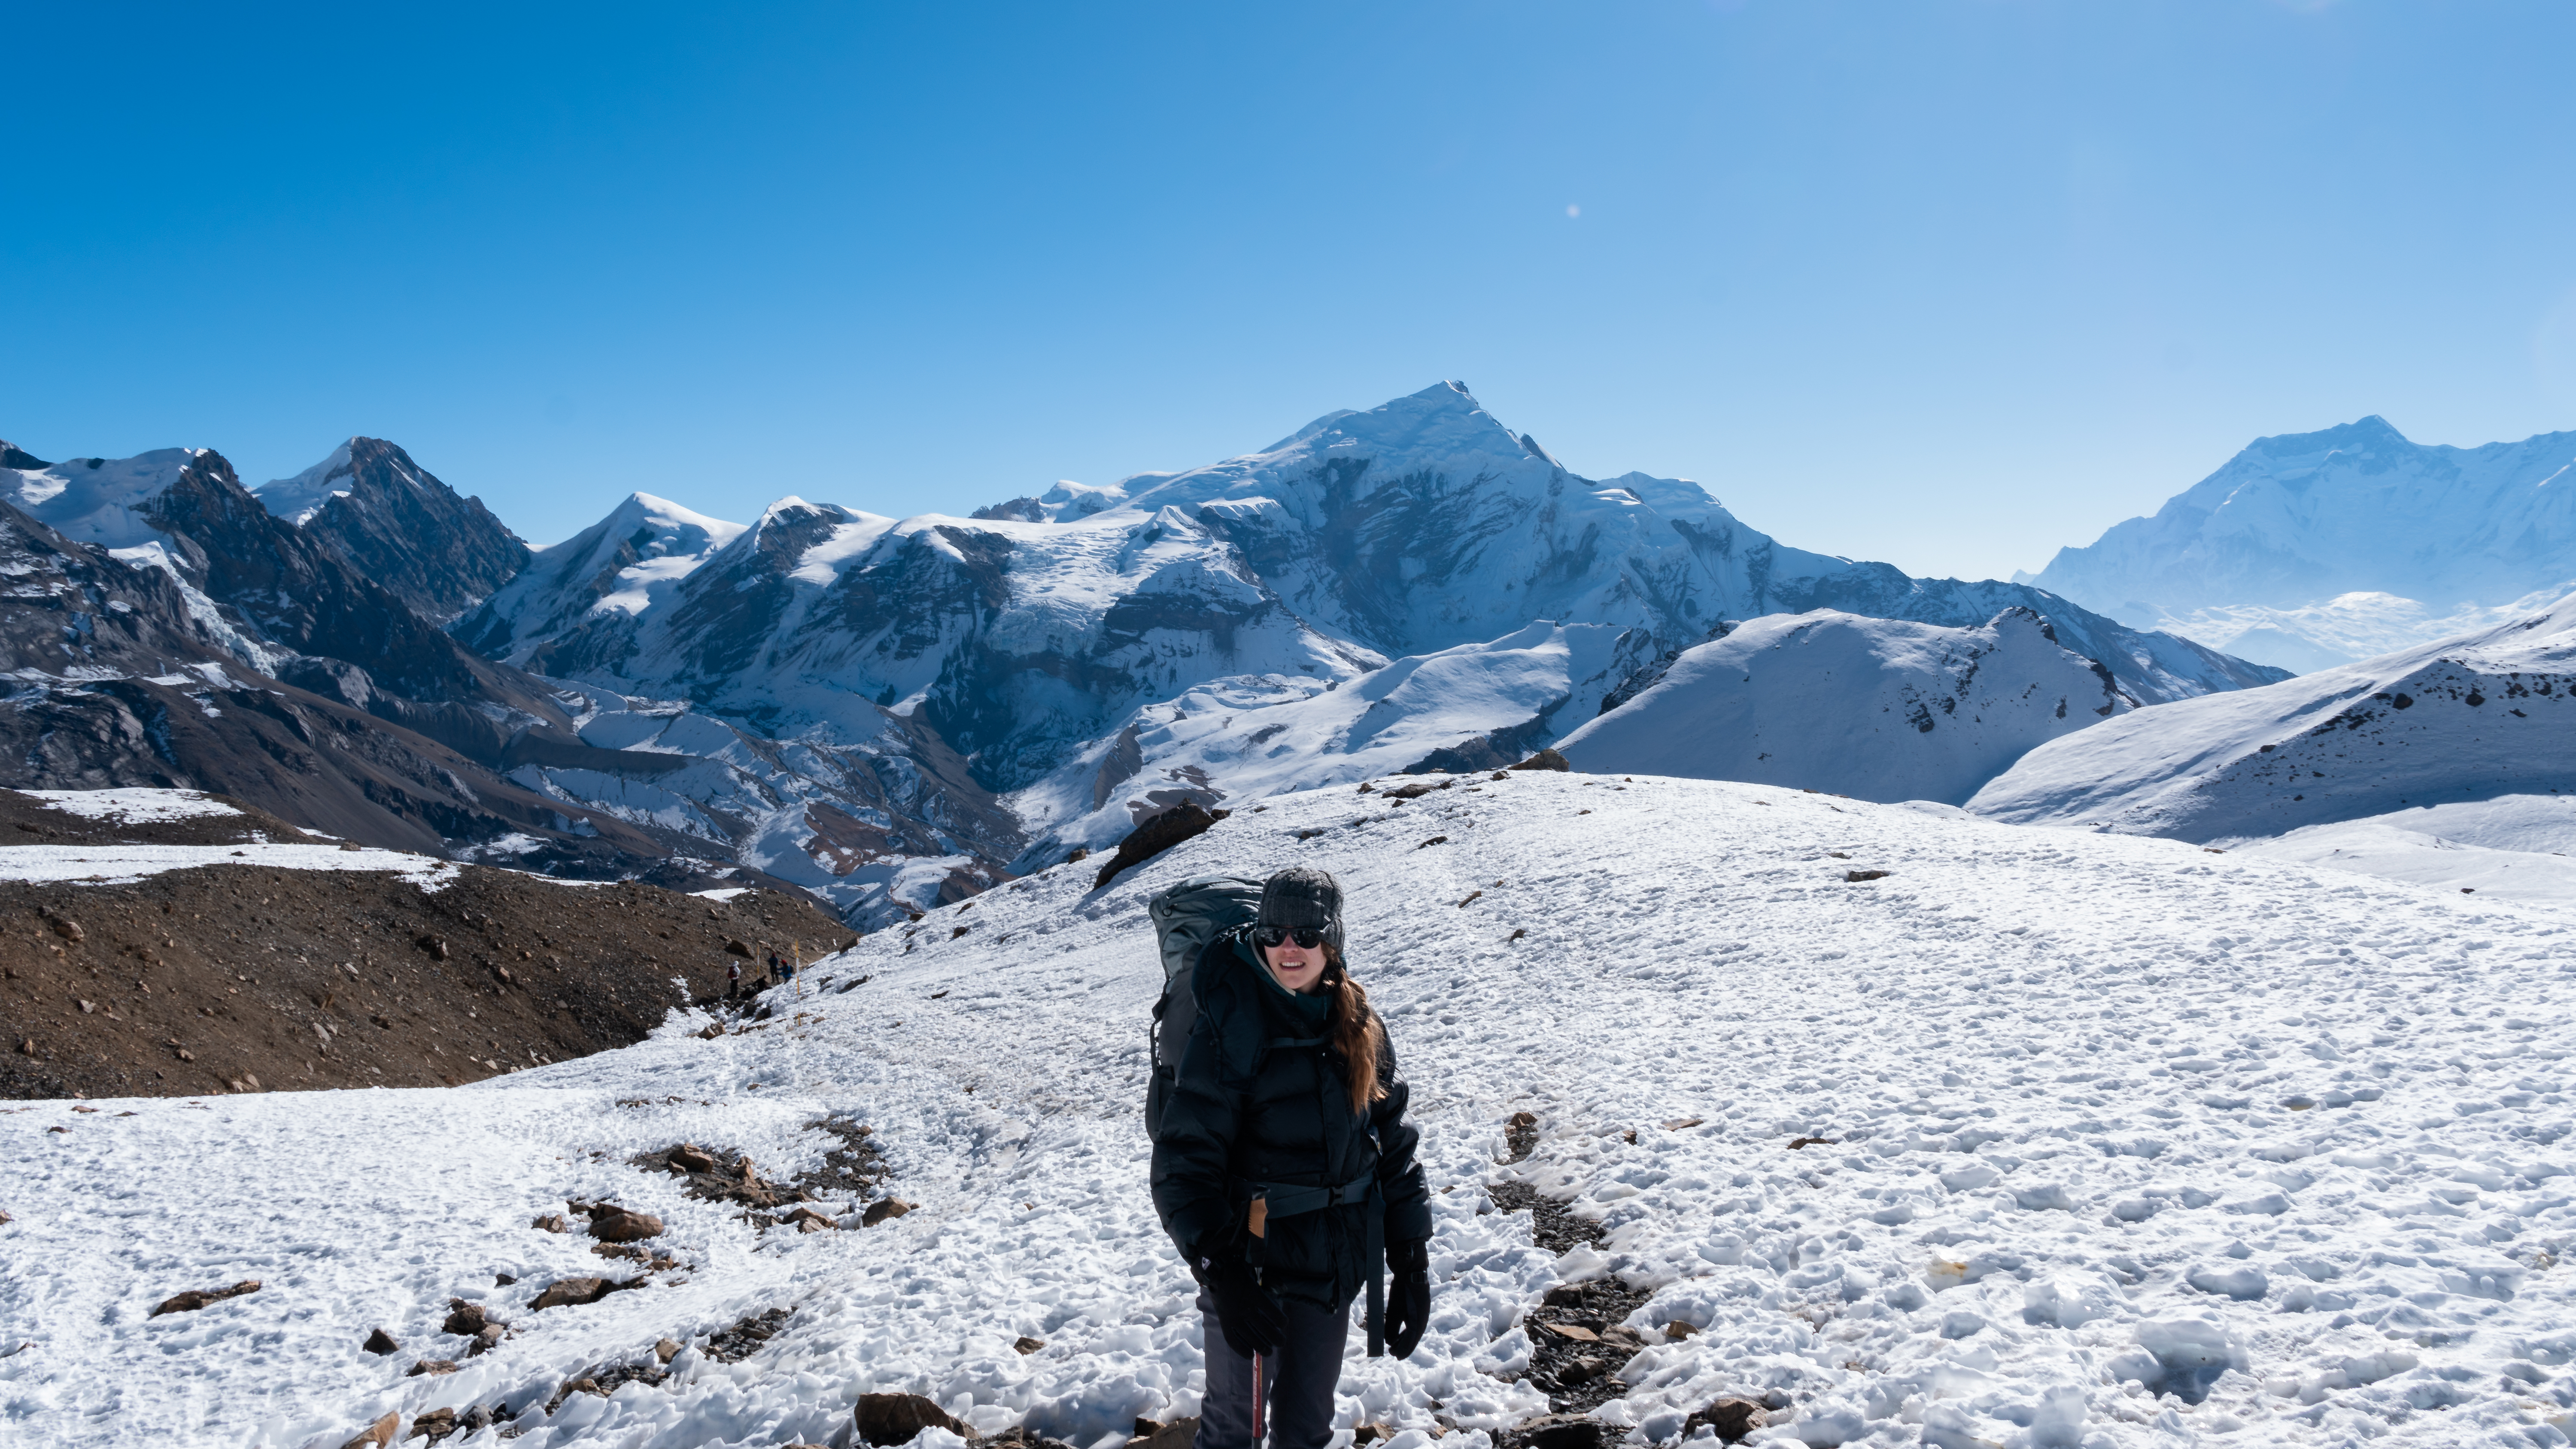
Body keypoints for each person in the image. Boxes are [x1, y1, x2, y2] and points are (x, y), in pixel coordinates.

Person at [1151, 867, 1433, 1449]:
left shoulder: (1359, 1024)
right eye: (1274, 934)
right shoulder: (1229, 1022)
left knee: (1306, 1429)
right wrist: (1222, 1272)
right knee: (1234, 1431)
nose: (1289, 948)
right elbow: (1184, 1162)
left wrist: (1410, 1258)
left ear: (1332, 942)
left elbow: (1392, 1145)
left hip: (1331, 1262)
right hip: (1251, 1264)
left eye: (1306, 935)